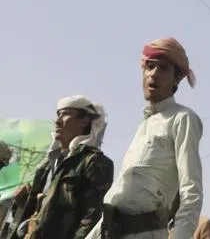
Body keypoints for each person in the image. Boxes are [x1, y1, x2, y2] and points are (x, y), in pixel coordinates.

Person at [87, 38, 204, 239]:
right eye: (150, 67)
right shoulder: (145, 124)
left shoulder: (182, 118)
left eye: (163, 68)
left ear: (176, 79)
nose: (154, 74)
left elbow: (191, 191)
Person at [2, 95, 113, 239]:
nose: (57, 121)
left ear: (84, 121)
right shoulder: (47, 165)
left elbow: (92, 217)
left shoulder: (94, 162)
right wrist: (23, 203)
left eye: (65, 114)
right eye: (58, 115)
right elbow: (36, 213)